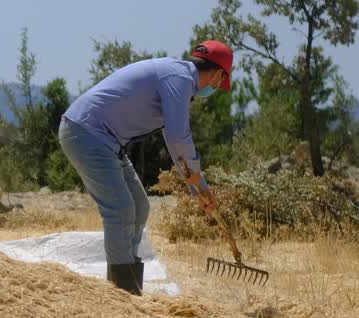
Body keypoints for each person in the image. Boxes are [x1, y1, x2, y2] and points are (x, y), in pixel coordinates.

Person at [58, 41, 233, 295]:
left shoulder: (178, 76)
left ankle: (129, 284)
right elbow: (178, 137)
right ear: (218, 74)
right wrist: (199, 185)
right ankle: (122, 293)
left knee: (140, 206)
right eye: (220, 82)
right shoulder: (179, 79)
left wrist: (198, 190)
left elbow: (175, 144)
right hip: (87, 133)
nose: (217, 87)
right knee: (120, 210)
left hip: (105, 139)